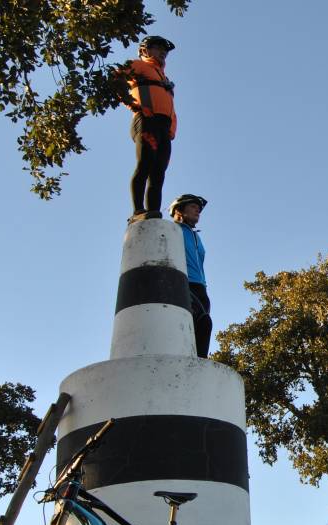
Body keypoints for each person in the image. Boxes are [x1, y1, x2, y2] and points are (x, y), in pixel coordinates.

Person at [126, 36, 178, 223]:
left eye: (164, 50)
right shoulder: (138, 65)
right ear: (144, 51)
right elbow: (114, 82)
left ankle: (153, 213)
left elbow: (171, 107)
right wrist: (134, 106)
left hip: (164, 127)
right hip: (147, 120)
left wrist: (172, 129)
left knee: (159, 171)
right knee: (145, 164)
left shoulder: (165, 78)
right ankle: (138, 210)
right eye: (157, 48)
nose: (162, 52)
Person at [170, 194, 212, 358]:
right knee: (204, 323)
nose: (198, 211)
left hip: (201, 287)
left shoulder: (196, 236)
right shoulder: (172, 230)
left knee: (197, 328)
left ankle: (194, 362)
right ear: (179, 210)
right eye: (193, 207)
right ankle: (200, 366)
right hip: (184, 284)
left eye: (199, 209)